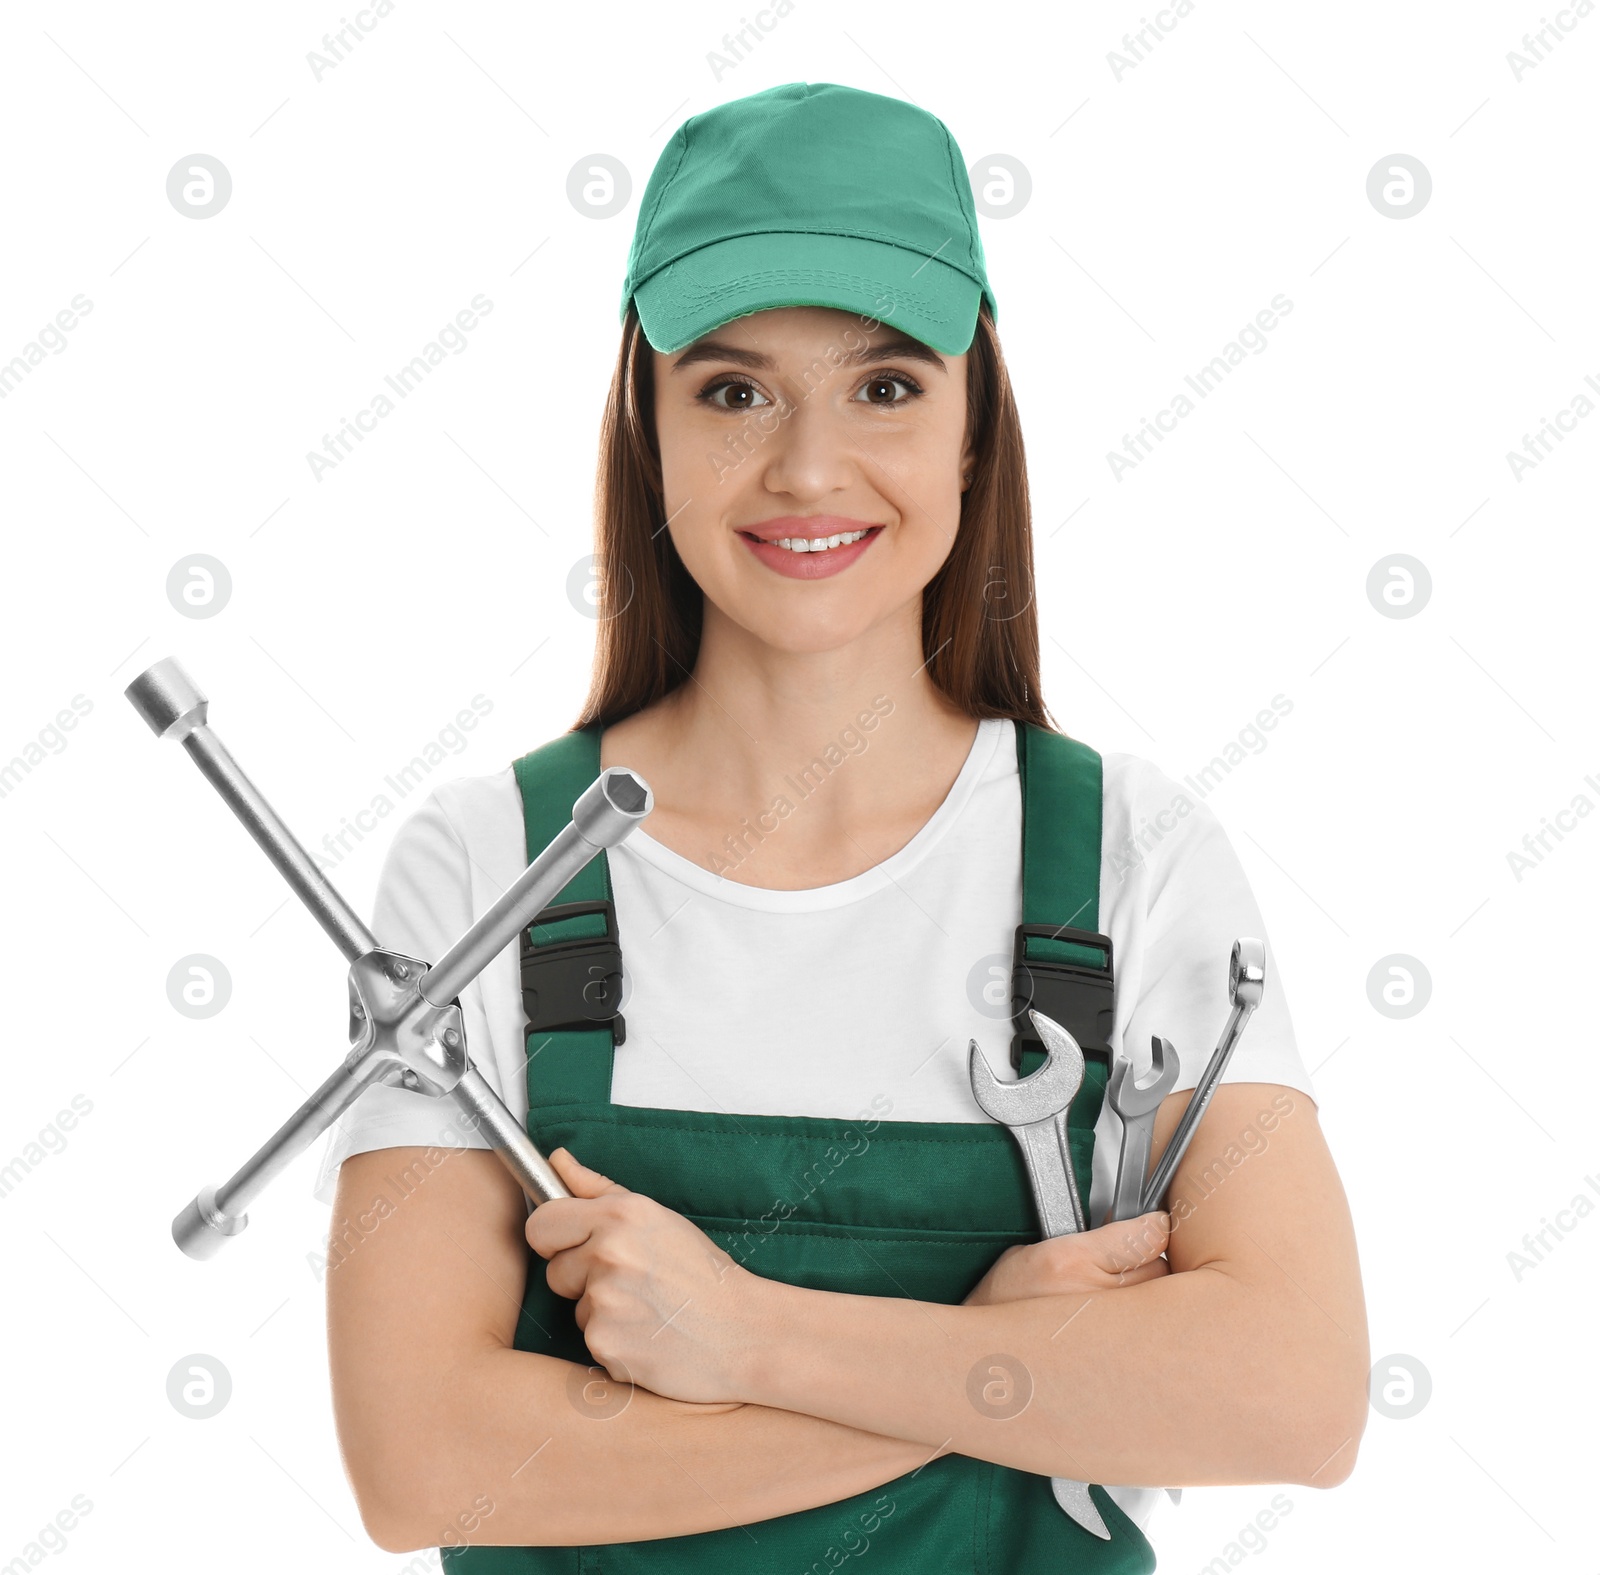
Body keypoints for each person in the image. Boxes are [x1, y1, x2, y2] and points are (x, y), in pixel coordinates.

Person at [317, 81, 1368, 1571]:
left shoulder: (1128, 856)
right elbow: (422, 1465)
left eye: (885, 387)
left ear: (970, 427)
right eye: (734, 391)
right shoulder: (491, 866)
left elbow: (1294, 1399)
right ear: (649, 426)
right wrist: (998, 1372)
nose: (808, 470)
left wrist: (750, 1336)